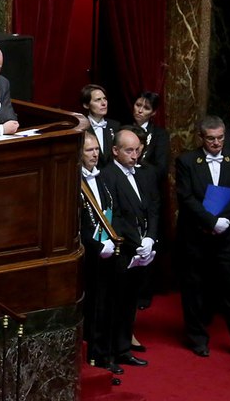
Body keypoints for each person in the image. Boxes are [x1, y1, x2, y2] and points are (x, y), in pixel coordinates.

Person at [174, 116, 230, 361]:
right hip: (195, 237)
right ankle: (197, 339)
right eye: (211, 138)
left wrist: (224, 222)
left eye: (220, 138)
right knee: (194, 289)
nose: (216, 143)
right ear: (201, 138)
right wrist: (211, 222)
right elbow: (187, 198)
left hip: (225, 238)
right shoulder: (187, 161)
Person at [98, 128, 158, 370]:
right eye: (129, 150)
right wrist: (137, 241)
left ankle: (124, 349)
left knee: (130, 301)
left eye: (137, 150)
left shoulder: (144, 174)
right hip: (122, 251)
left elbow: (153, 207)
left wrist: (151, 238)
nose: (135, 155)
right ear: (115, 150)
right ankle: (109, 353)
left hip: (142, 251)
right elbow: (117, 217)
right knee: (115, 302)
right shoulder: (107, 176)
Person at [78, 130, 119, 375]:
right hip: (90, 256)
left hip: (110, 251)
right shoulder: (75, 183)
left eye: (96, 149)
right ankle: (93, 358)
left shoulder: (104, 178)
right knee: (93, 309)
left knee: (108, 306)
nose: (94, 154)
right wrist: (97, 246)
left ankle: (106, 355)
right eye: (88, 150)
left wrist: (112, 241)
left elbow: (116, 210)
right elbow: (76, 224)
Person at [132, 91, 169, 180]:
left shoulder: (159, 134)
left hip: (148, 181)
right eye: (138, 105)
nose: (140, 111)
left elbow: (161, 168)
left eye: (146, 108)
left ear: (153, 113)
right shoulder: (121, 128)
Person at [82, 84, 119, 167]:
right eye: (98, 100)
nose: (103, 103)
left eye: (105, 99)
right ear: (86, 105)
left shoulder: (115, 126)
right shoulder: (81, 128)